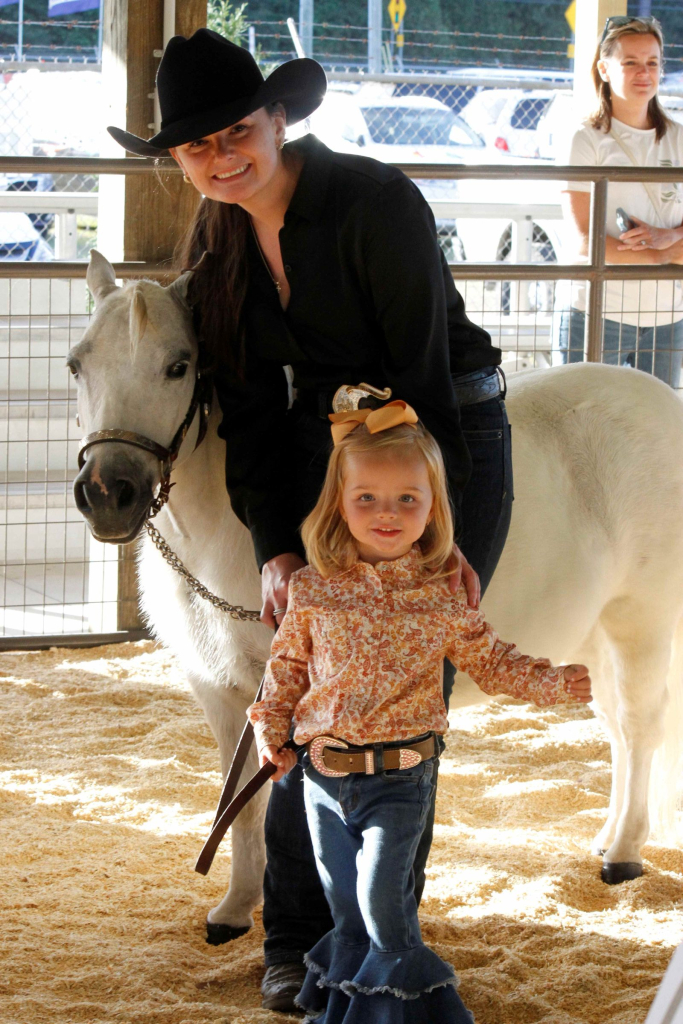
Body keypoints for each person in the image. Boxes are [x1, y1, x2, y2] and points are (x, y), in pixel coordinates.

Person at [108, 29, 512, 1011]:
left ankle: (376, 939)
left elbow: (420, 379)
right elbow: (248, 410)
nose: (220, 157)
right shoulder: (219, 240)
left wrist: (432, 542)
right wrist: (277, 545)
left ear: (277, 119)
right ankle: (292, 939)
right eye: (196, 146)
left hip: (442, 434)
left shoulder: (374, 204)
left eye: (236, 131)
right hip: (320, 447)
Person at [248, 402, 592, 1024]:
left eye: (408, 499)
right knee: (346, 908)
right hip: (321, 779)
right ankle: (352, 1010)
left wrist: (555, 683)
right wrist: (272, 733)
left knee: (383, 900)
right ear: (338, 502)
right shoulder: (312, 591)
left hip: (402, 779)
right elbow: (285, 673)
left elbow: (494, 662)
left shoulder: (441, 599)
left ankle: (417, 1012)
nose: (388, 514)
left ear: (434, 507)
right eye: (368, 498)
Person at [559, 16, 683, 388]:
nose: (643, 72)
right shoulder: (586, 139)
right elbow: (584, 239)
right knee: (581, 425)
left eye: (652, 62)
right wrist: (663, 253)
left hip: (668, 318)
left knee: (653, 434)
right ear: (604, 68)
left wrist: (668, 237)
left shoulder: (678, 137)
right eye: (630, 62)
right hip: (599, 312)